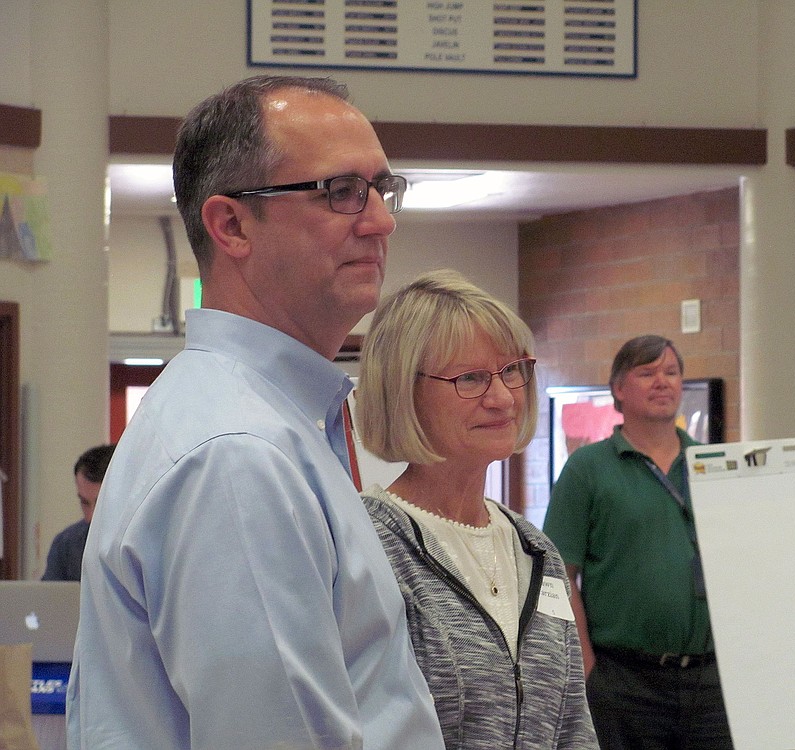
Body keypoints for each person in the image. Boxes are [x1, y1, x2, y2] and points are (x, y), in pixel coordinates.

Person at [67, 75, 445, 750]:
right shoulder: (239, 452)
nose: (382, 220)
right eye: (340, 191)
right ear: (232, 224)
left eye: (382, 189)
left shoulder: (272, 423)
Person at [355, 269, 598, 749]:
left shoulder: (536, 550)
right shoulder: (367, 545)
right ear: (403, 390)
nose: (503, 397)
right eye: (470, 378)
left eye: (511, 371)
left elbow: (572, 724)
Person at [543, 334, 733, 749]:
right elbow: (556, 579)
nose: (662, 382)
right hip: (625, 683)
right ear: (618, 389)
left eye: (671, 372)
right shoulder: (587, 469)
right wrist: (587, 669)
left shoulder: (712, 465)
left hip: (712, 683)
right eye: (646, 373)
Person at [41, 444, 115, 581]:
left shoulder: (149, 543)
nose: (91, 516)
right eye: (84, 503)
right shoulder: (66, 545)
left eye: (101, 504)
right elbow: (48, 600)